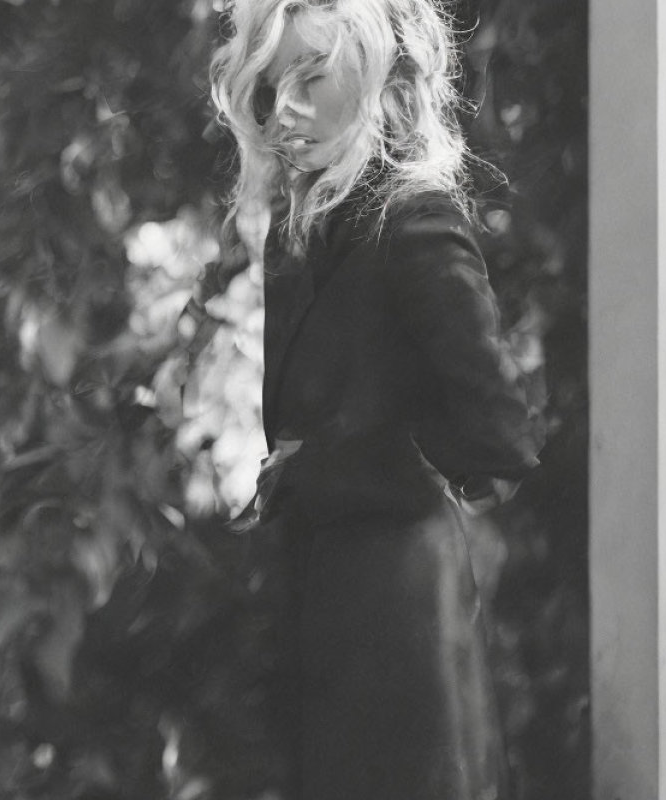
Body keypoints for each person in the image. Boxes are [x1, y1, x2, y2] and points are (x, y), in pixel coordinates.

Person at [209, 1, 545, 798]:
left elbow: (501, 438)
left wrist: (336, 470)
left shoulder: (415, 224)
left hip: (401, 612)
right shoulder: (299, 233)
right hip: (320, 606)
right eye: (270, 84)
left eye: (313, 78)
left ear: (380, 87)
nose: (285, 109)